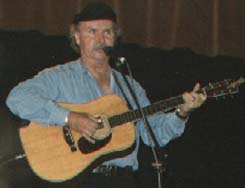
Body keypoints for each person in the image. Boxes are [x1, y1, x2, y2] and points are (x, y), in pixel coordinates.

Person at [6, 2, 206, 188]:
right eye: (92, 32)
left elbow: (154, 135)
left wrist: (182, 111)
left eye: (107, 32)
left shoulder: (130, 86)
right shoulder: (60, 77)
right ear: (77, 37)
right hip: (80, 180)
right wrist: (70, 118)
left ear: (115, 38)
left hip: (123, 180)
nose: (101, 40)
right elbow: (17, 98)